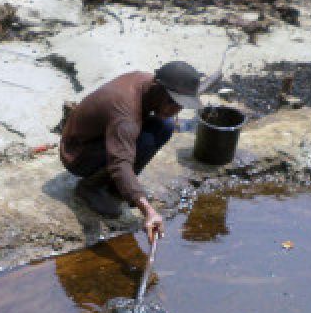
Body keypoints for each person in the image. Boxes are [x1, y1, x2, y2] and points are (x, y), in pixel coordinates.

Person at [60, 61, 205, 244]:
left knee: (164, 126)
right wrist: (148, 211)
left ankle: (118, 188)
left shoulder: (146, 83)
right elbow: (120, 163)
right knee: (142, 142)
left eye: (181, 106)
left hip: (101, 137)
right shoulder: (125, 113)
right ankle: (90, 188)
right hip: (77, 154)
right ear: (158, 88)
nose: (176, 110)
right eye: (173, 102)